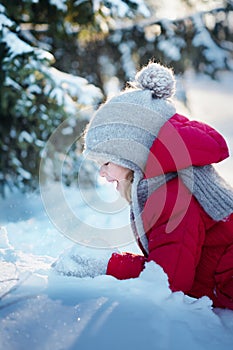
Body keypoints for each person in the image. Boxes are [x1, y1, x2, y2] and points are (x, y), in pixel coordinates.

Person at [65, 61, 233, 309]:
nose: (102, 173)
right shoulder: (165, 183)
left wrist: (106, 265)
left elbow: (167, 282)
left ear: (131, 154)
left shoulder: (172, 194)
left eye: (106, 162)